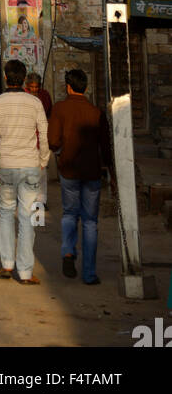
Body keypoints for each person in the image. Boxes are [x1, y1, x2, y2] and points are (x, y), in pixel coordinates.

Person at [0, 58, 50, 284]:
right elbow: (44, 132)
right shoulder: (35, 103)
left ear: (5, 78)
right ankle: (24, 272)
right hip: (30, 165)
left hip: (5, 165)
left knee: (5, 213)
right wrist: (44, 160)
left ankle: (6, 265)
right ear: (23, 79)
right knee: (27, 217)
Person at [47, 67, 113, 286]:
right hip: (92, 171)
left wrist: (59, 151)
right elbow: (106, 147)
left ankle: (68, 252)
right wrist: (111, 172)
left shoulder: (60, 108)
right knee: (90, 222)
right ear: (85, 87)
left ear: (68, 86)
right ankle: (89, 274)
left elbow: (53, 141)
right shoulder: (96, 112)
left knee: (69, 214)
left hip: (68, 169)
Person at [25, 71, 53, 211]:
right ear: (27, 86)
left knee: (42, 172)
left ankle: (41, 200)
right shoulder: (23, 97)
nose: (35, 89)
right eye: (32, 87)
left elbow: (49, 114)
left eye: (37, 87)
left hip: (42, 138)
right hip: (27, 140)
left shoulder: (45, 95)